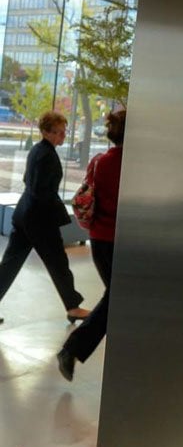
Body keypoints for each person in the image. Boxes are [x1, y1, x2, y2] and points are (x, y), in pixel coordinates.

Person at [0, 111, 90, 325]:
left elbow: (27, 180)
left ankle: (72, 305)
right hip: (40, 220)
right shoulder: (47, 155)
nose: (63, 135)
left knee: (10, 263)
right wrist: (57, 209)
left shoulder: (37, 150)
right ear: (46, 132)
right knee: (58, 263)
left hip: (25, 214)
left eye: (64, 131)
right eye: (59, 132)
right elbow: (42, 191)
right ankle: (73, 307)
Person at [57, 110, 126, 381]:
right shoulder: (134, 166)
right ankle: (71, 349)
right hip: (121, 241)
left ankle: (73, 350)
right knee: (117, 298)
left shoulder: (99, 162)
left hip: (99, 239)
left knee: (116, 297)